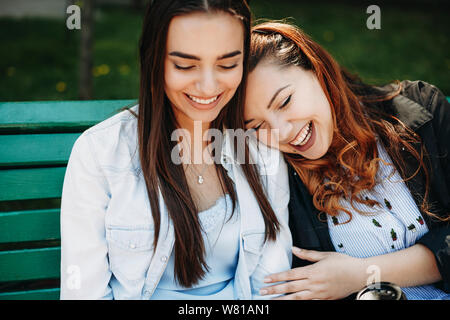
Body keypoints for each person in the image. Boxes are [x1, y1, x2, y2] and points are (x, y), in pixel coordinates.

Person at [60, 1, 292, 300]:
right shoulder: (100, 154)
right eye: (185, 65)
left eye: (227, 64)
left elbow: (273, 286)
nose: (208, 87)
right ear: (154, 59)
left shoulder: (261, 149)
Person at [243, 21, 450, 300]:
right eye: (256, 126)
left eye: (284, 102)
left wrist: (361, 274)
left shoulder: (421, 109)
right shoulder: (283, 188)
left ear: (317, 70)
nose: (281, 132)